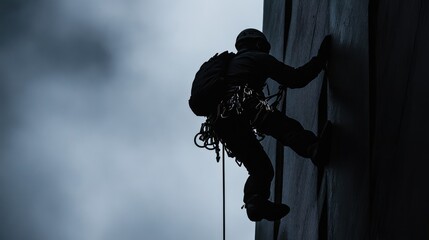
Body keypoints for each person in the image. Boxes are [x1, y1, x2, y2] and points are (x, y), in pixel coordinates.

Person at [211, 28, 331, 222]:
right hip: (245, 105)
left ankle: (254, 201)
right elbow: (296, 78)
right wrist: (320, 59)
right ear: (258, 44)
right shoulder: (256, 57)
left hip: (221, 122)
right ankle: (313, 148)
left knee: (260, 169)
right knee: (287, 128)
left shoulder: (230, 66)